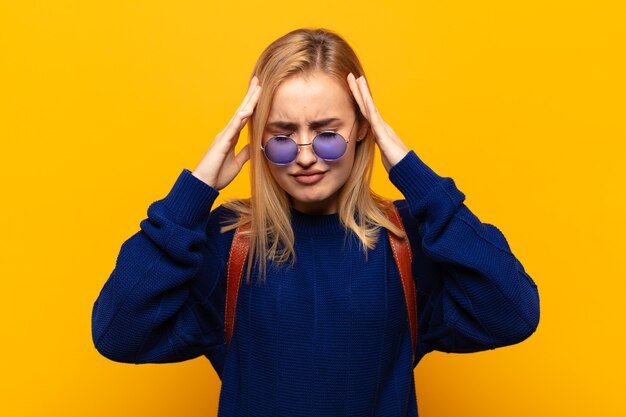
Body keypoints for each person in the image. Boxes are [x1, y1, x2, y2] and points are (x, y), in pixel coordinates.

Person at [91, 27, 540, 416]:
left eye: (327, 134)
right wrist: (196, 190)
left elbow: (514, 312)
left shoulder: (407, 239)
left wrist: (409, 169)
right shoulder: (227, 243)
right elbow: (116, 332)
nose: (305, 156)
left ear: (363, 127)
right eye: (282, 135)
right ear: (258, 138)